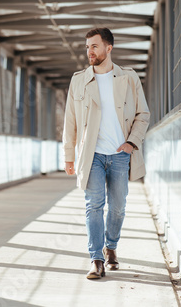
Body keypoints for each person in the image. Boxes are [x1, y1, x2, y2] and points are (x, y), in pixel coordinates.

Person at [62, 28, 150, 279]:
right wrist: (69, 156)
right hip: (92, 156)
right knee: (94, 206)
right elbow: (70, 121)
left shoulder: (129, 78)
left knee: (119, 207)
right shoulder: (78, 79)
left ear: (108, 48)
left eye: (94, 46)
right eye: (87, 46)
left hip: (120, 153)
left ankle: (111, 247)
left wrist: (131, 143)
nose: (89, 51)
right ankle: (96, 259)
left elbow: (142, 114)